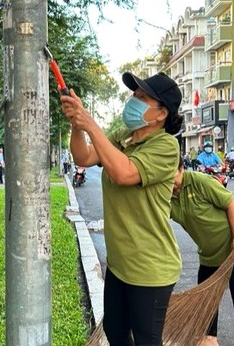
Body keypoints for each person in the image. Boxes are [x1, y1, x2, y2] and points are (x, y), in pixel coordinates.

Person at [61, 72, 183, 345]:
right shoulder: (124, 136)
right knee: (115, 332)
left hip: (150, 267)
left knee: (146, 340)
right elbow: (84, 156)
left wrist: (91, 124)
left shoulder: (166, 146)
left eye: (142, 98)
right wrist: (77, 124)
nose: (133, 101)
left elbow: (124, 173)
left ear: (161, 113)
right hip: (120, 263)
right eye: (134, 95)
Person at [170, 159, 234, 346]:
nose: (169, 180)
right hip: (208, 252)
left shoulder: (199, 181)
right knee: (207, 293)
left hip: (232, 245)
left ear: (181, 169)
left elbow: (230, 202)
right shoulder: (165, 195)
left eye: (172, 174)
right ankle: (210, 337)